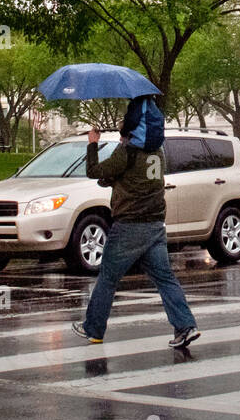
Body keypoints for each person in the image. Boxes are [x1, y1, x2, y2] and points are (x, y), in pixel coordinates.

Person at [72, 125, 200, 349]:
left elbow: (95, 171)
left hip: (129, 224)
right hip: (155, 224)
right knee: (165, 278)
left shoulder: (127, 152)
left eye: (122, 136)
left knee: (108, 278)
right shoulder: (157, 152)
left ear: (127, 135)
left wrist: (93, 143)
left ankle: (93, 328)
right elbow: (125, 178)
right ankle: (185, 325)